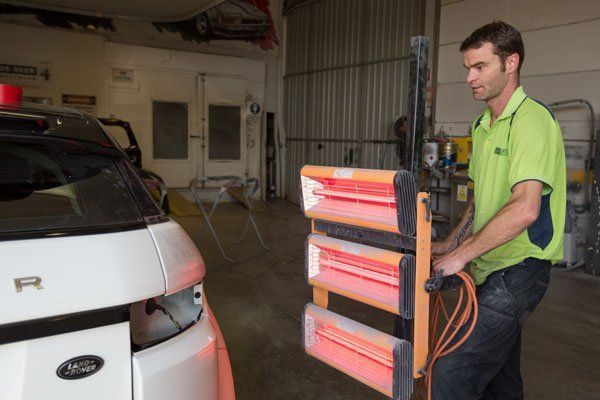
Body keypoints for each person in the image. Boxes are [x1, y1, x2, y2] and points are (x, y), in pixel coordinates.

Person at [430, 21, 566, 399]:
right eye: (467, 69)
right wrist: (448, 244)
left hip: (522, 268)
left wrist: (459, 258)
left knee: (450, 372)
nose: (470, 77)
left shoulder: (531, 121)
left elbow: (525, 208)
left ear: (511, 63)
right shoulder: (482, 125)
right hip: (491, 265)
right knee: (499, 380)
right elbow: (481, 198)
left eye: (480, 67)